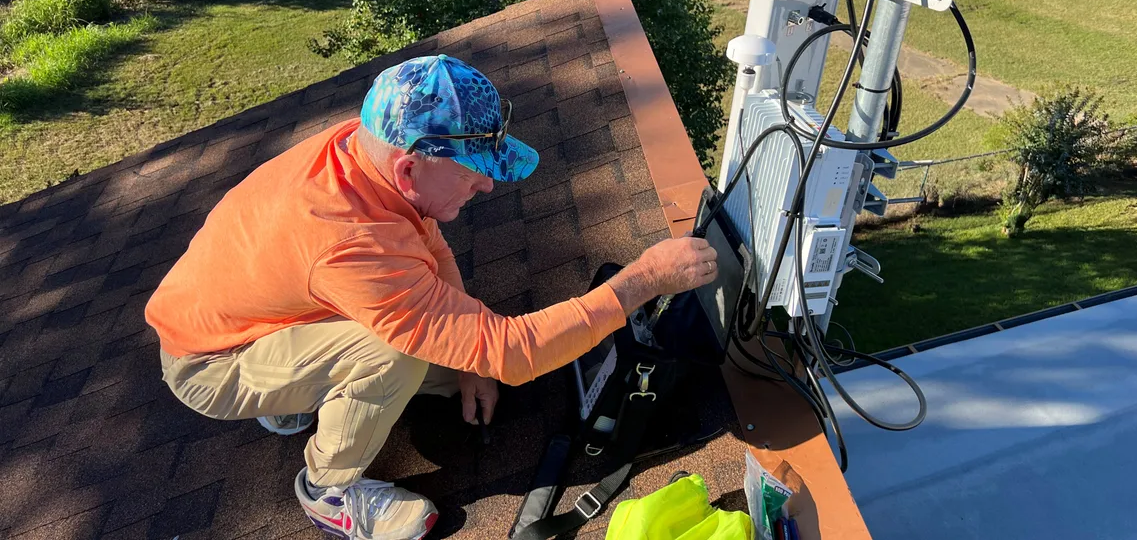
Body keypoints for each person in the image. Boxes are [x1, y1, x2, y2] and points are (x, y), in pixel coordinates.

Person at [145, 54, 718, 540]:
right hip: (212, 362)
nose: (487, 184)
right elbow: (512, 353)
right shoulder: (351, 243)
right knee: (392, 354)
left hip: (268, 309)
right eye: (471, 170)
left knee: (440, 349)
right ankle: (327, 490)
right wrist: (642, 279)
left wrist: (471, 364)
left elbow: (431, 246)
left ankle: (303, 386)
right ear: (410, 166)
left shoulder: (365, 152)